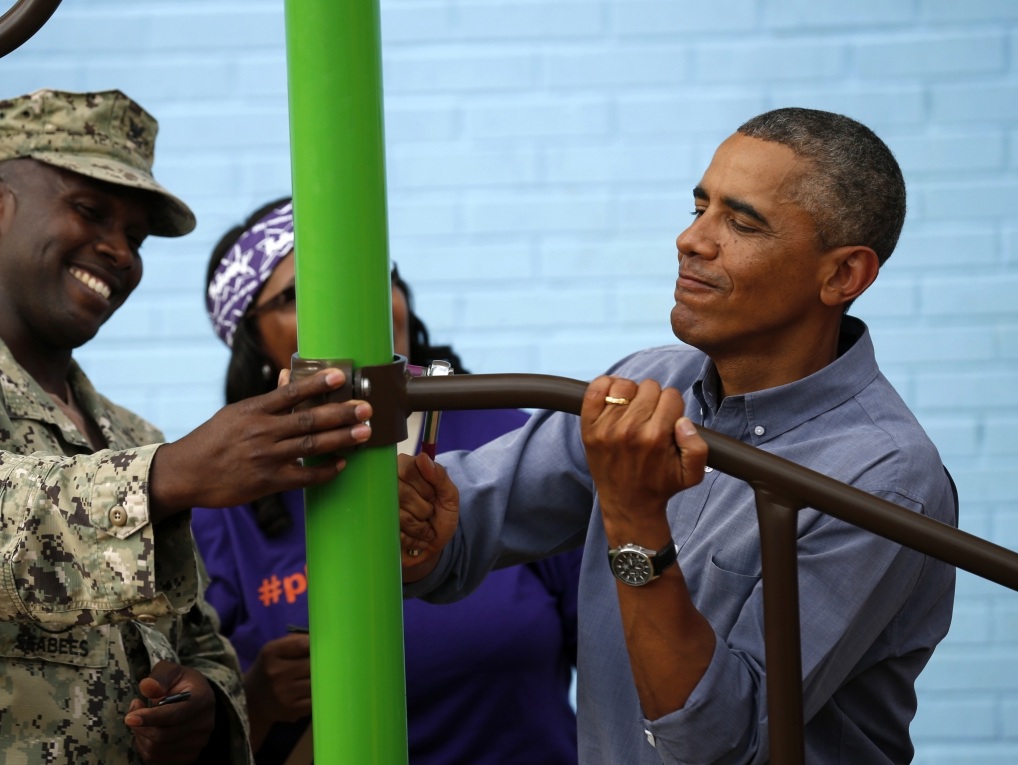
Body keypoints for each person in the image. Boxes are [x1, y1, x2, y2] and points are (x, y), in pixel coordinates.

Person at [0, 90, 375, 764]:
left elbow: (199, 639)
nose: (119, 251)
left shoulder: (129, 433)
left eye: (135, 237)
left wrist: (203, 703)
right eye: (90, 212)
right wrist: (167, 475)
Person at [397, 108, 957, 765]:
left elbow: (718, 743)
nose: (691, 239)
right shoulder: (646, 382)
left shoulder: (884, 475)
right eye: (699, 207)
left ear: (842, 276)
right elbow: (459, 530)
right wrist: (423, 536)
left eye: (741, 221)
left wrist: (636, 522)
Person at [193, 198, 582, 765]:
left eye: (379, 274)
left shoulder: (508, 439)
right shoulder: (224, 511)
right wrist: (259, 700)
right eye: (299, 294)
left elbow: (614, 661)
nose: (361, 299)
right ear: (253, 345)